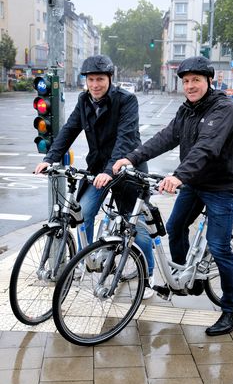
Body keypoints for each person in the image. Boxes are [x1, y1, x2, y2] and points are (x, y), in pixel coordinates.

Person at [113, 56, 233, 336]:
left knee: (219, 246)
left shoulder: (223, 110)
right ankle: (188, 278)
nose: (190, 85)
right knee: (174, 227)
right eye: (185, 81)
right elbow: (165, 137)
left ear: (209, 81)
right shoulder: (187, 110)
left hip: (223, 187)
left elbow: (206, 148)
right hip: (196, 183)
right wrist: (132, 158)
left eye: (196, 80)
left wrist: (179, 175)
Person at [34, 54, 155, 299]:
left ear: (110, 79)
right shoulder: (84, 100)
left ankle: (148, 277)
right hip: (98, 169)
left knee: (137, 228)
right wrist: (50, 159)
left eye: (100, 79)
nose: (95, 84)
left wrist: (110, 171)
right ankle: (86, 260)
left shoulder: (127, 101)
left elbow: (125, 140)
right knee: (83, 213)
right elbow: (69, 130)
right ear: (86, 81)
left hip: (128, 170)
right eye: (91, 79)